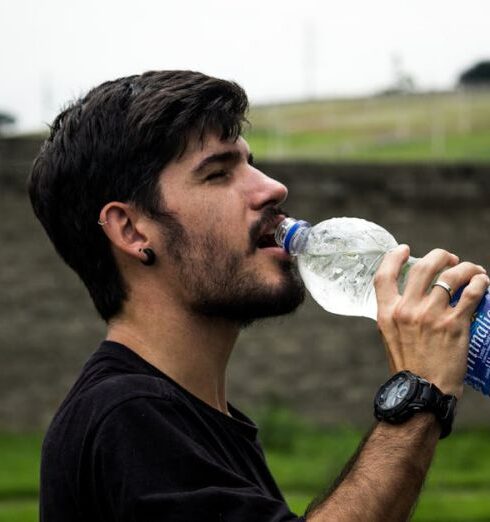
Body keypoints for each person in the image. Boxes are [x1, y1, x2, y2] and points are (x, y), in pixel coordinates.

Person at [29, 70, 489, 522]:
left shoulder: (193, 416)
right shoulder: (127, 417)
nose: (272, 187)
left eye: (250, 163)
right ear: (131, 229)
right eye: (217, 173)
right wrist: (418, 396)